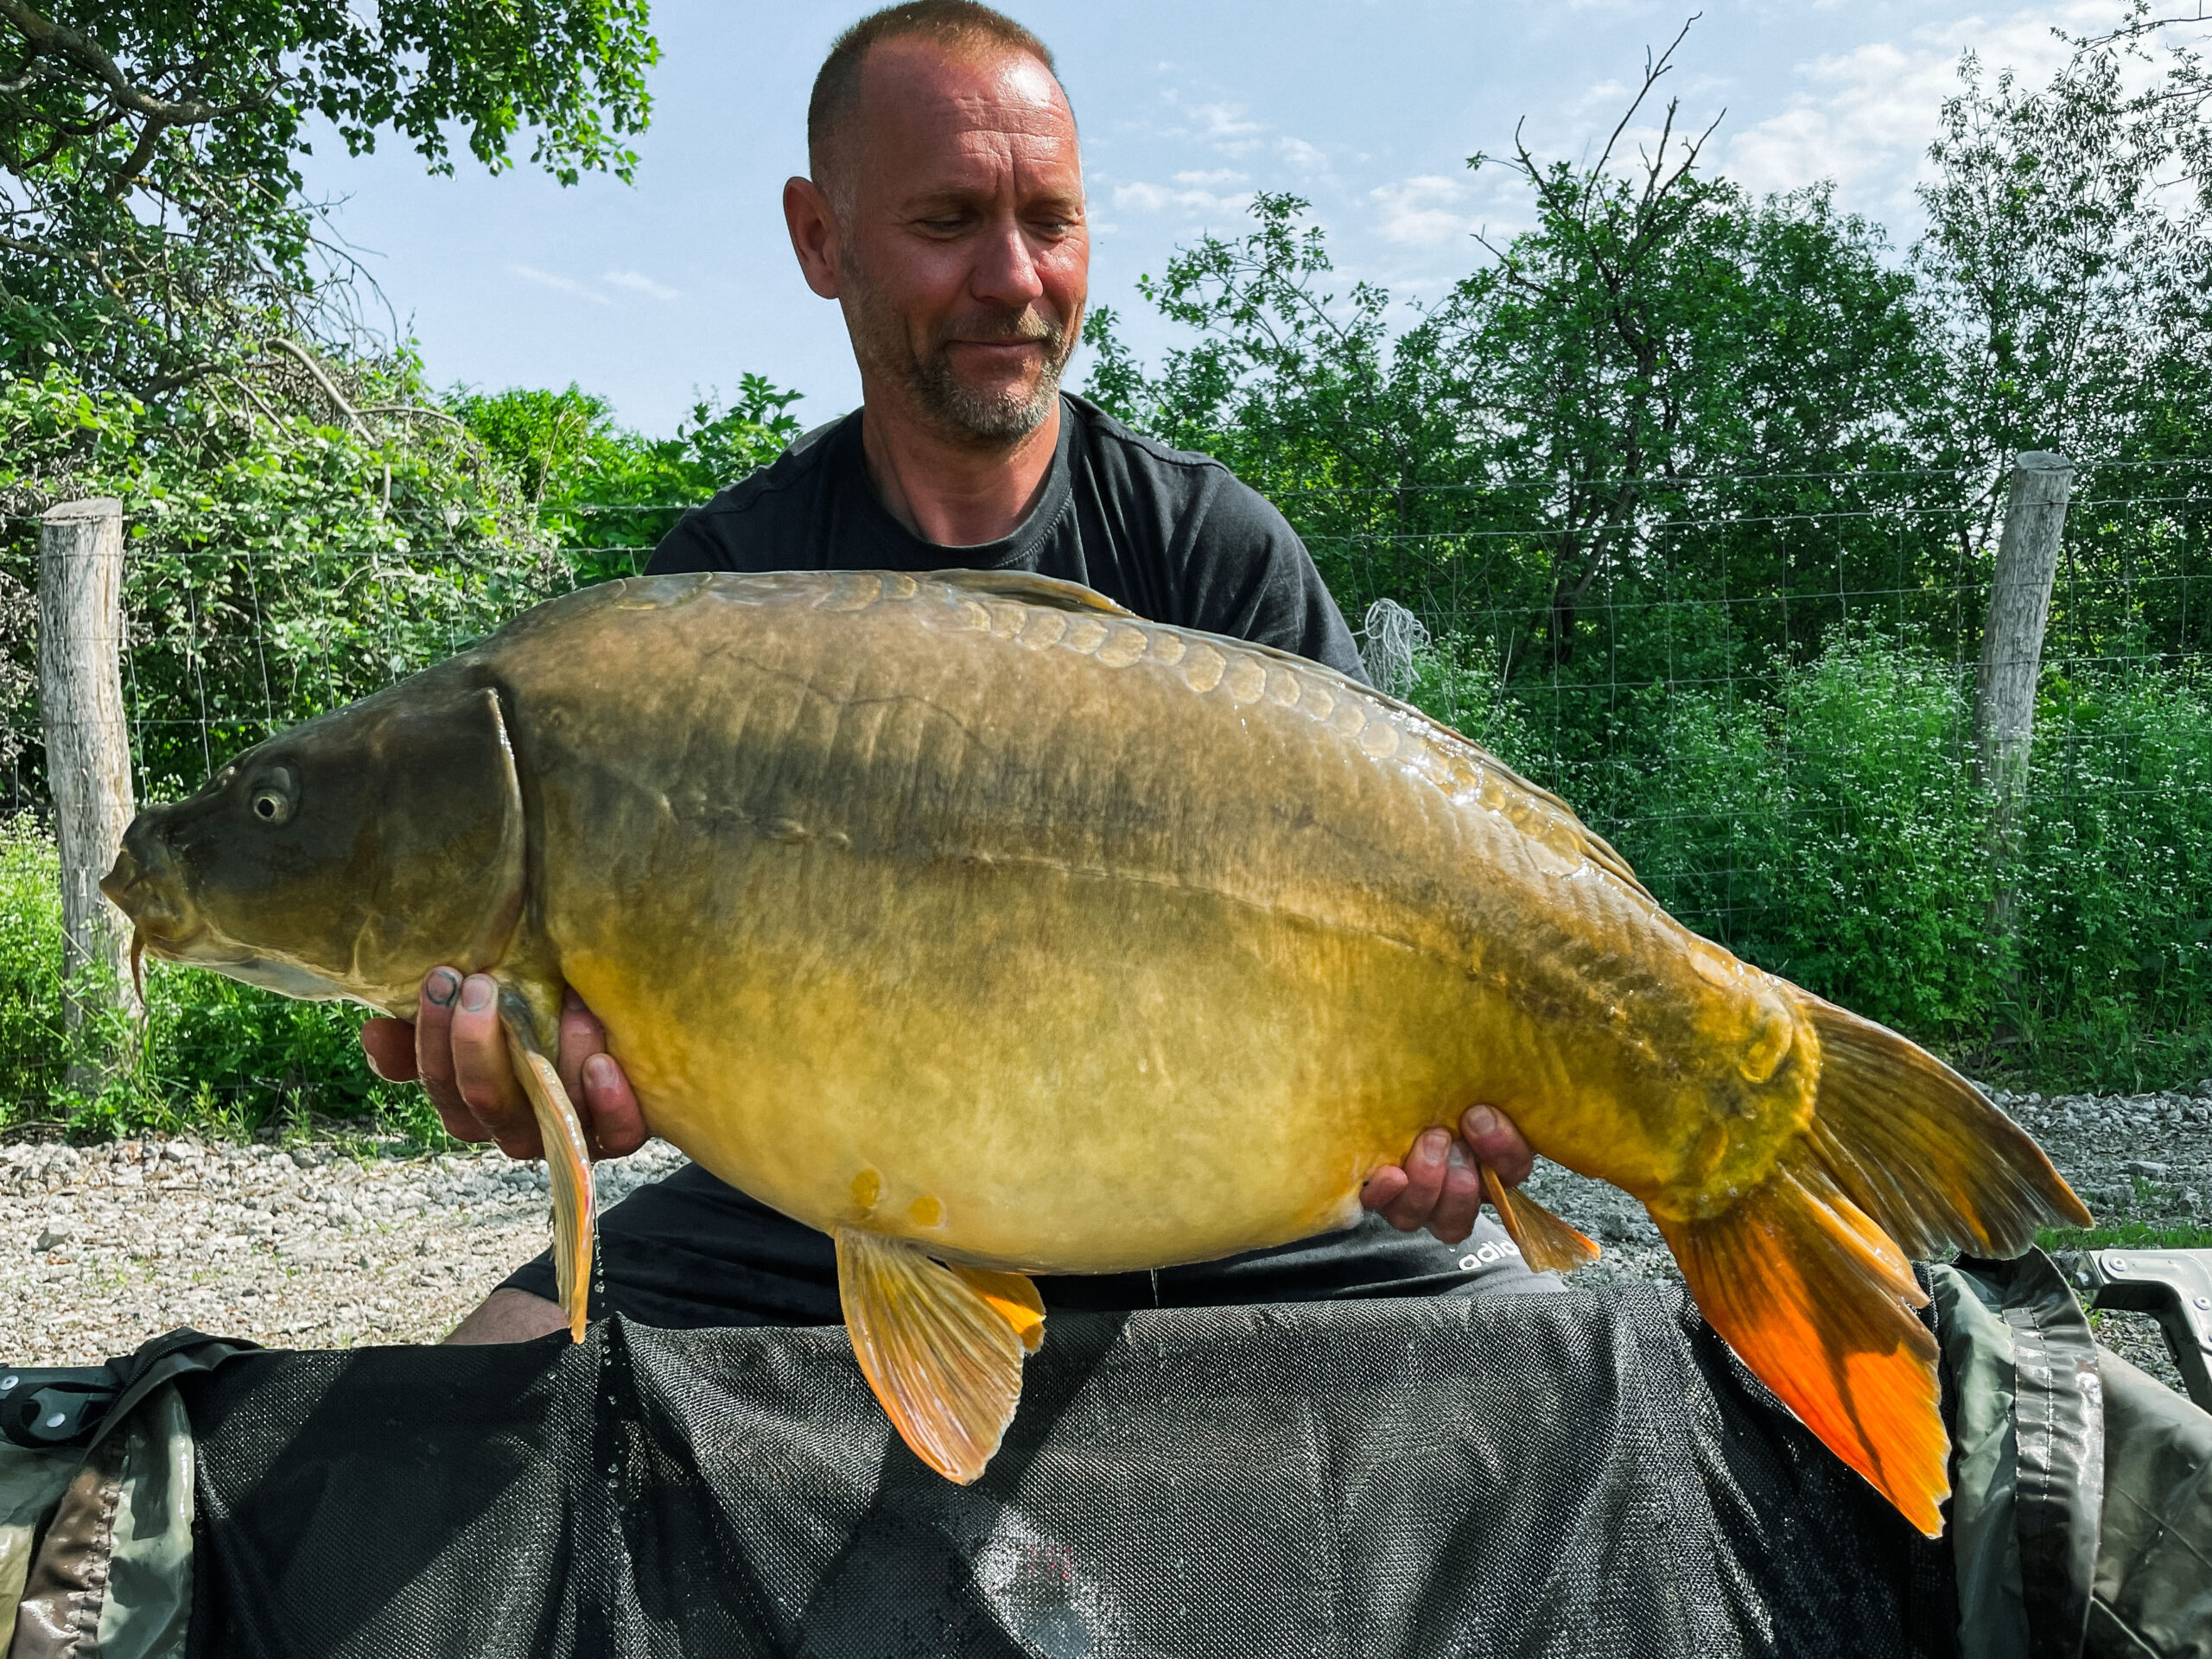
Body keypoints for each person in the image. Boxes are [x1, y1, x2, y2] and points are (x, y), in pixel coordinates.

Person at [359, 0, 1550, 1344]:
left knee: (1536, 1357)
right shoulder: (715, 598)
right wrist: (552, 1081)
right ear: (822, 239)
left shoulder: (1211, 553)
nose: (1014, 277)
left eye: (1050, 222)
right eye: (947, 224)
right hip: (814, 1207)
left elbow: (1410, 917)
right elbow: (613, 1037)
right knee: (483, 1377)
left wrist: (1439, 1132)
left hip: (1216, 1206)